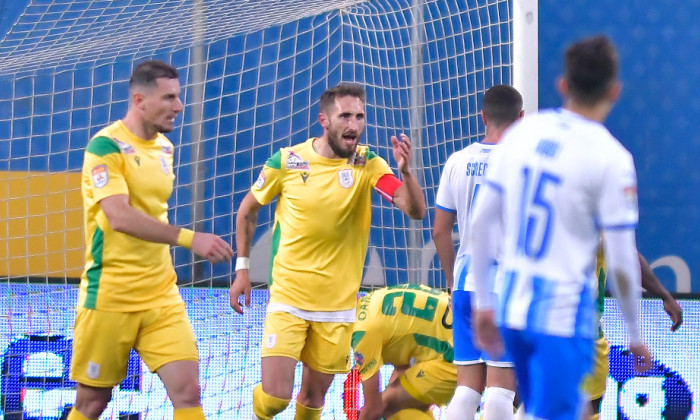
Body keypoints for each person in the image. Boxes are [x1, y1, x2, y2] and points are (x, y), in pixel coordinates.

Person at [469, 35, 653, 420]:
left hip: (512, 311)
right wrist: (636, 335)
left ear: (563, 84)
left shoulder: (524, 134)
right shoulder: (612, 158)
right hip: (562, 321)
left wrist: (485, 303)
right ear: (614, 91)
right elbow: (620, 261)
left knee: (532, 410)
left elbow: (482, 222)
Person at [229, 83, 426, 420]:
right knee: (276, 398)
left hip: (338, 308)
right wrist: (243, 269)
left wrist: (406, 172)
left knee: (313, 398)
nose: (353, 125)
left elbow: (414, 211)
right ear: (324, 119)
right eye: (345, 116)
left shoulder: (369, 164)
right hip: (288, 298)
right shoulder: (287, 161)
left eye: (360, 116)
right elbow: (247, 210)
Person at [68, 60, 234, 420]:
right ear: (140, 99)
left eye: (180, 97)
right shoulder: (105, 147)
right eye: (169, 97)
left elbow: (153, 212)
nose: (179, 106)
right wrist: (190, 239)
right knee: (92, 403)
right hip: (111, 295)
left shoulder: (165, 149)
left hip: (161, 293)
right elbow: (120, 217)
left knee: (189, 393)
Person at [432, 85, 523, 420]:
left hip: (467, 283)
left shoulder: (458, 161)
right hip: (505, 286)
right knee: (500, 391)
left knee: (467, 388)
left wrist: (451, 281)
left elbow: (440, 230)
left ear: (483, 116)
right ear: (522, 118)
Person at [583, 249, 683, 419]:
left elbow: (625, 252)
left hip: (578, 337)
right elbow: (624, 251)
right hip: (566, 337)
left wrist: (664, 295)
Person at [352, 284, 456, 420]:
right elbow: (402, 368)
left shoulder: (361, 335)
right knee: (407, 404)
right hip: (466, 343)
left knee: (388, 405)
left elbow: (374, 408)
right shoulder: (370, 301)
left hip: (454, 360)